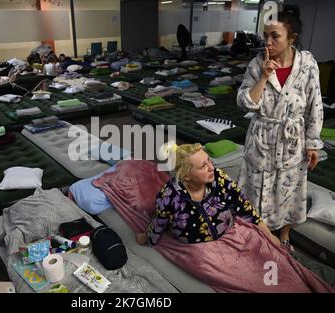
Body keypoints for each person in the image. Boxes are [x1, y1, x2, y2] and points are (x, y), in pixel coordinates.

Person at [236, 5, 323, 252]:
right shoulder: (257, 64)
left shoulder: (307, 64)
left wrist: (312, 143)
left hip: (291, 140)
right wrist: (264, 76)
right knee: (256, 187)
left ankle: (284, 235)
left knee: (289, 187)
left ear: (292, 38)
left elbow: (314, 105)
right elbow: (244, 102)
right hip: (262, 137)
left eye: (275, 36)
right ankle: (259, 234)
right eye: (266, 36)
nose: (269, 42)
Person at [136, 143, 280, 246]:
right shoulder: (168, 197)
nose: (211, 168)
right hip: (197, 250)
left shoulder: (219, 178)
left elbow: (244, 207)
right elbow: (158, 223)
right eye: (203, 166)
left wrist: (269, 235)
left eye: (209, 161)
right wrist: (148, 238)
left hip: (230, 235)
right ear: (186, 176)